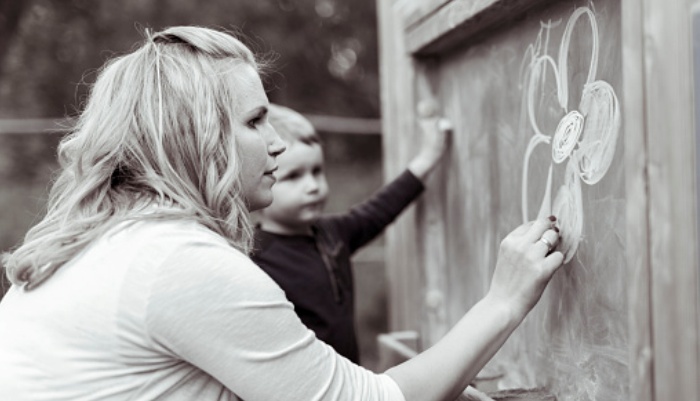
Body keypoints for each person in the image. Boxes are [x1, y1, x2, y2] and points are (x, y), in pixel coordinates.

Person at [0, 26, 564, 401]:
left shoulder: (110, 245)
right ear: (197, 139)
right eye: (253, 122)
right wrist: (503, 300)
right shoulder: (176, 262)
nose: (275, 144)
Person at [252, 102, 450, 364]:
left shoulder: (333, 233)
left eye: (317, 171)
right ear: (259, 182)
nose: (312, 186)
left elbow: (381, 208)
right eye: (293, 176)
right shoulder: (254, 259)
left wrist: (428, 157)